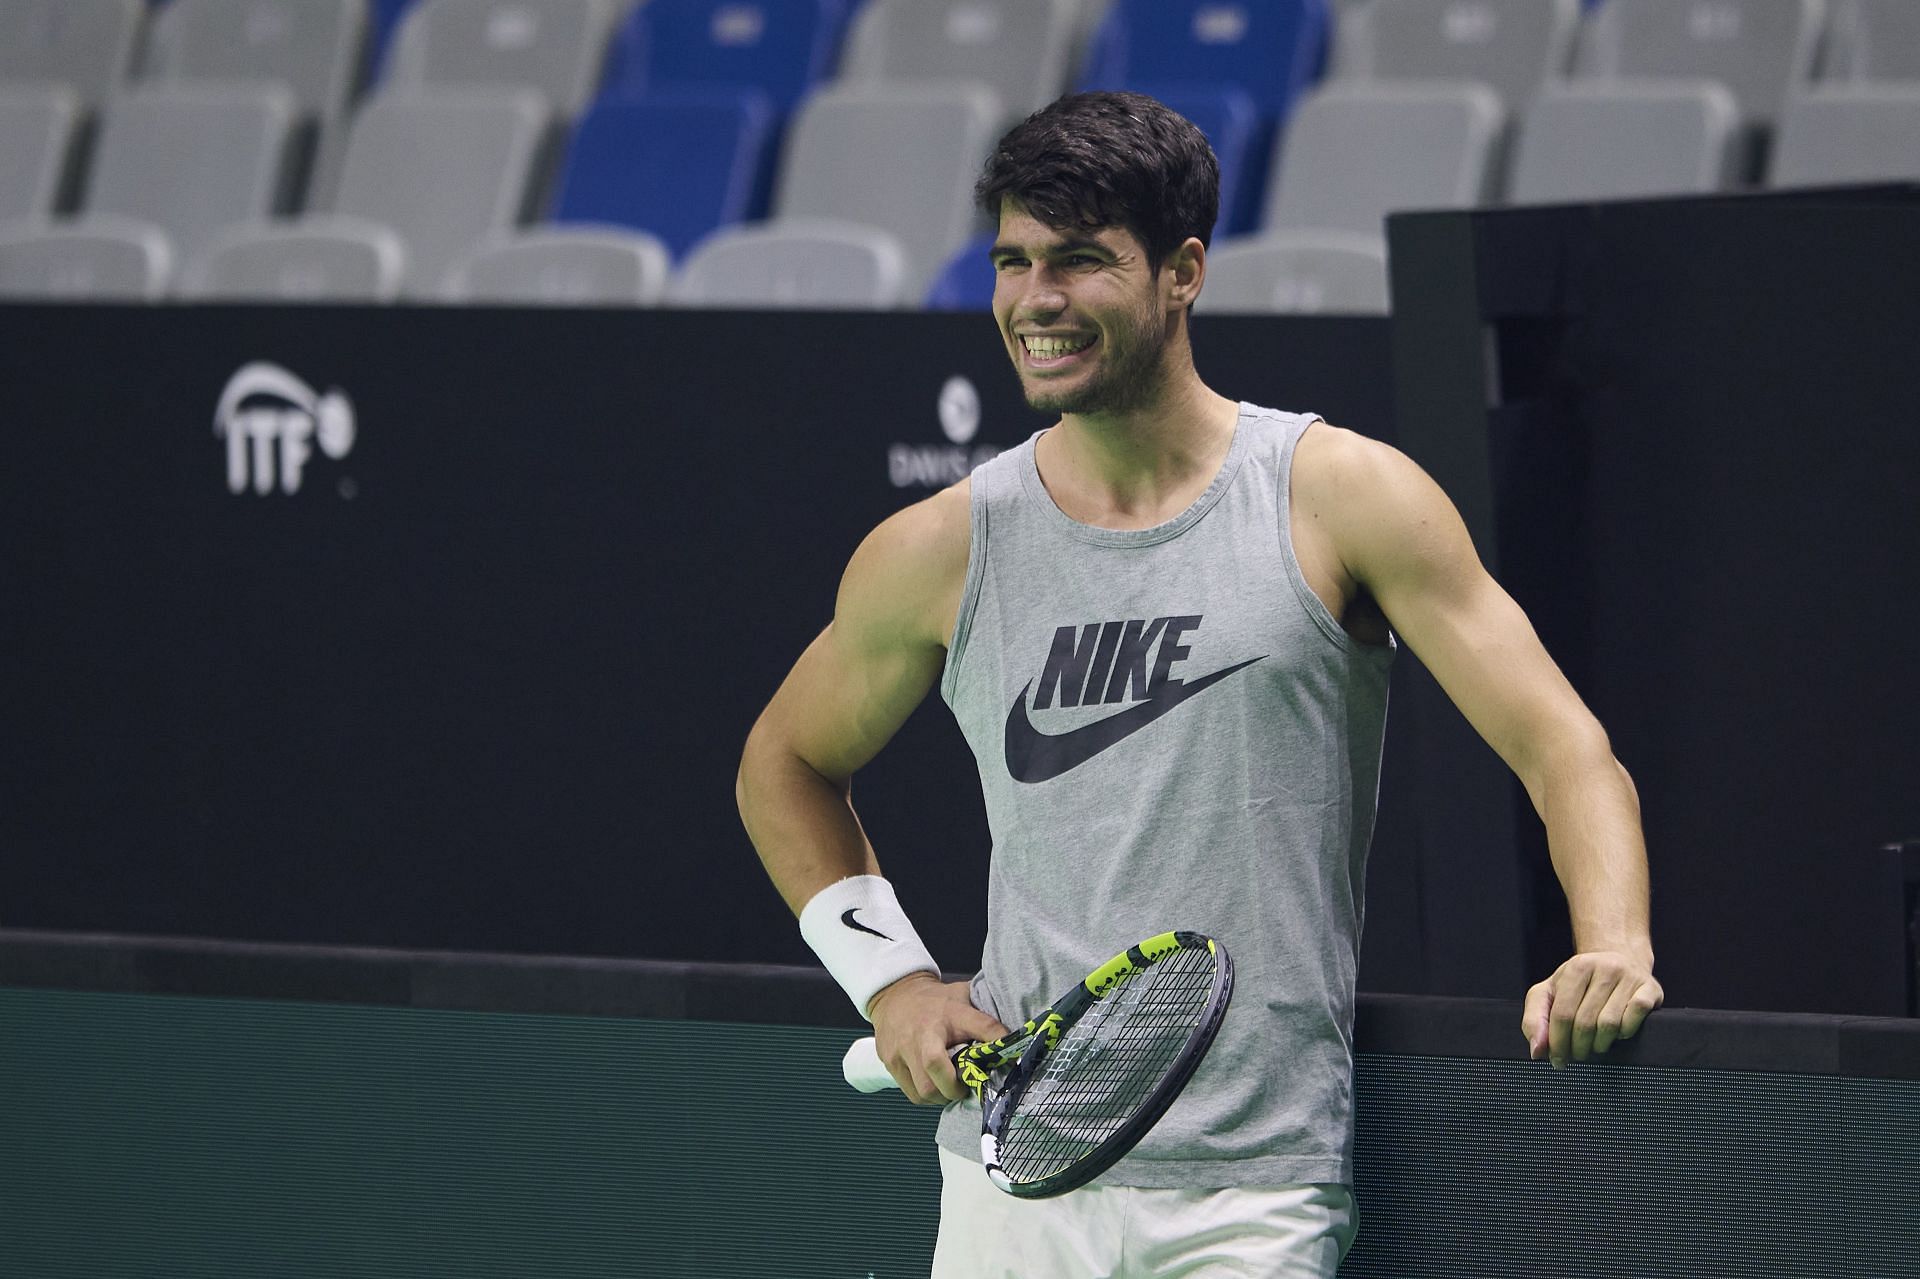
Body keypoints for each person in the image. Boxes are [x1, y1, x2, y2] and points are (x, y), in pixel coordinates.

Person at [735, 91, 1663, 1278]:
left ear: (1183, 272)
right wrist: (893, 982)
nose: (1035, 301)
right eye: (1013, 262)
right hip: (1008, 1172)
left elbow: (1565, 747)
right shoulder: (940, 548)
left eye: (1079, 261)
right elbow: (787, 764)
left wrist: (1614, 943)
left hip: (1253, 1187)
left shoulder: (1340, 496)